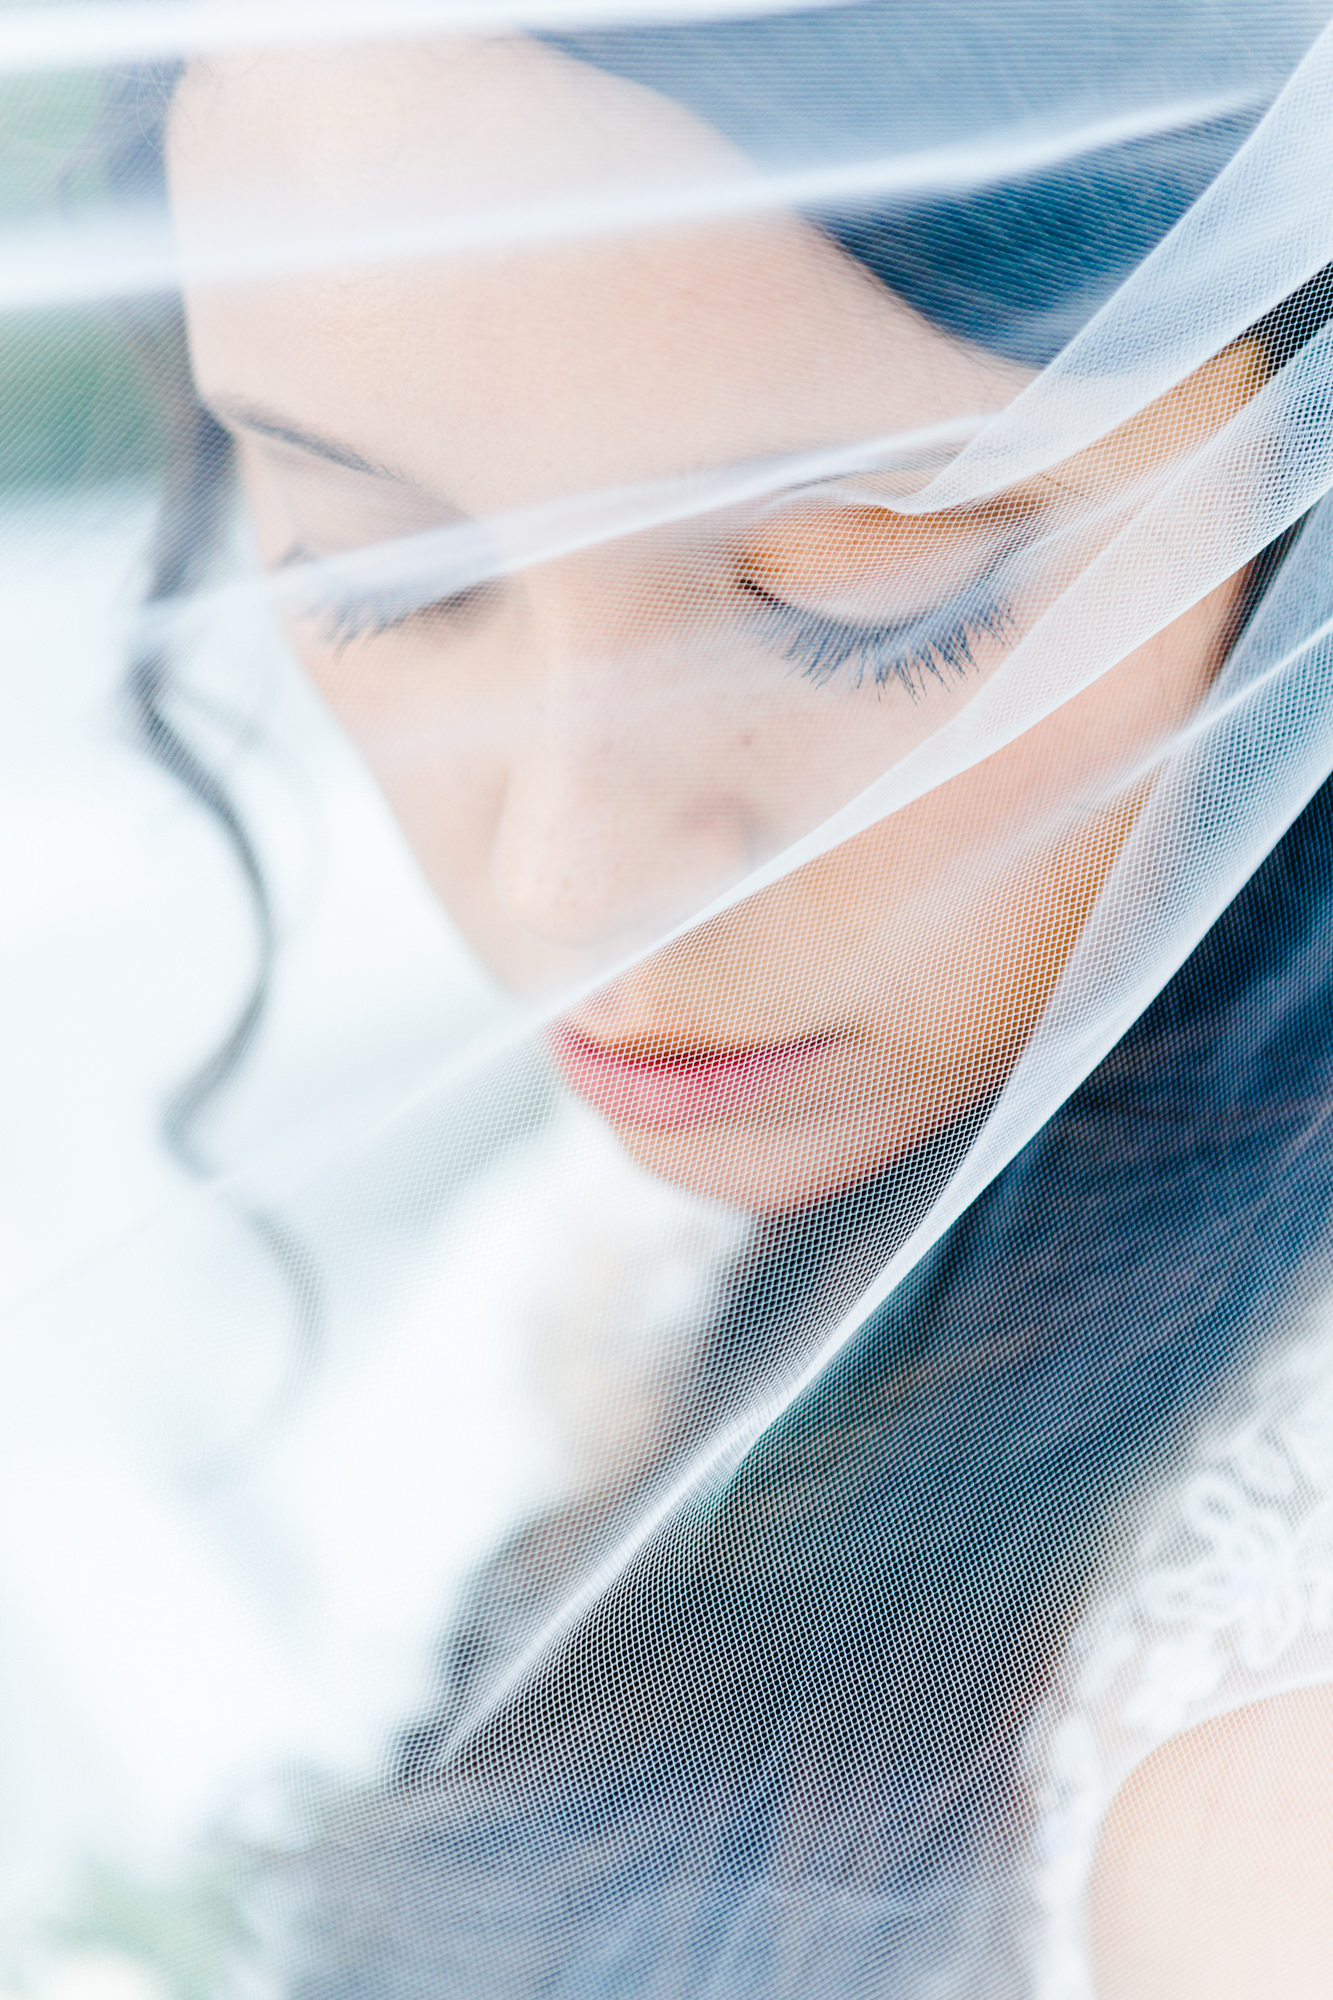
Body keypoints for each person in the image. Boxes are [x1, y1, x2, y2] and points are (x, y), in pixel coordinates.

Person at [17, 3, 1333, 1994]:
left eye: (855, 594)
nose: (570, 881)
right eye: (378, 572)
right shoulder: (680, 1199)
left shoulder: (1267, 1784)